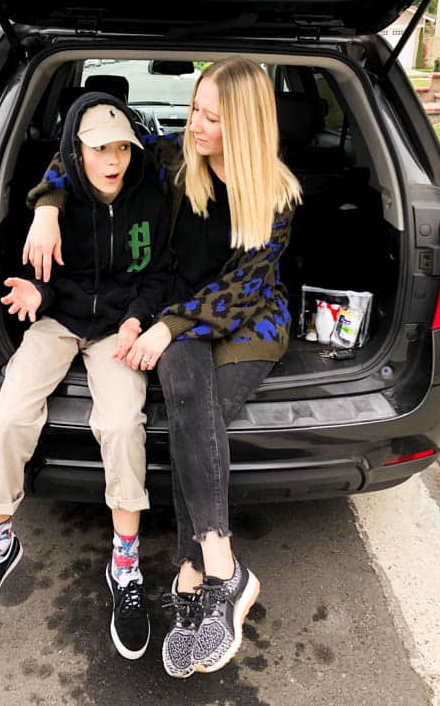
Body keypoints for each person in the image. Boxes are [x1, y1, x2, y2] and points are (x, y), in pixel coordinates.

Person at [24, 57, 302, 677]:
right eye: (194, 109)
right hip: (175, 309)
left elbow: (238, 293)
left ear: (248, 126)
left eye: (210, 116)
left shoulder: (278, 194)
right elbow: (85, 152)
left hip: (245, 317)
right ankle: (218, 569)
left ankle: (193, 570)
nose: (193, 124)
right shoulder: (176, 155)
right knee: (184, 395)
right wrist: (46, 205)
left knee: (196, 414)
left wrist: (165, 327)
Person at [0, 93, 171, 663]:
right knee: (8, 417)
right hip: (58, 318)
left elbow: (159, 275)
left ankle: (124, 562)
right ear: (77, 151)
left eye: (122, 146)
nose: (113, 159)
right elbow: (42, 274)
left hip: (117, 329)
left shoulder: (150, 195)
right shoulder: (58, 198)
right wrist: (34, 292)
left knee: (122, 424)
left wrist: (135, 319)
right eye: (100, 148)